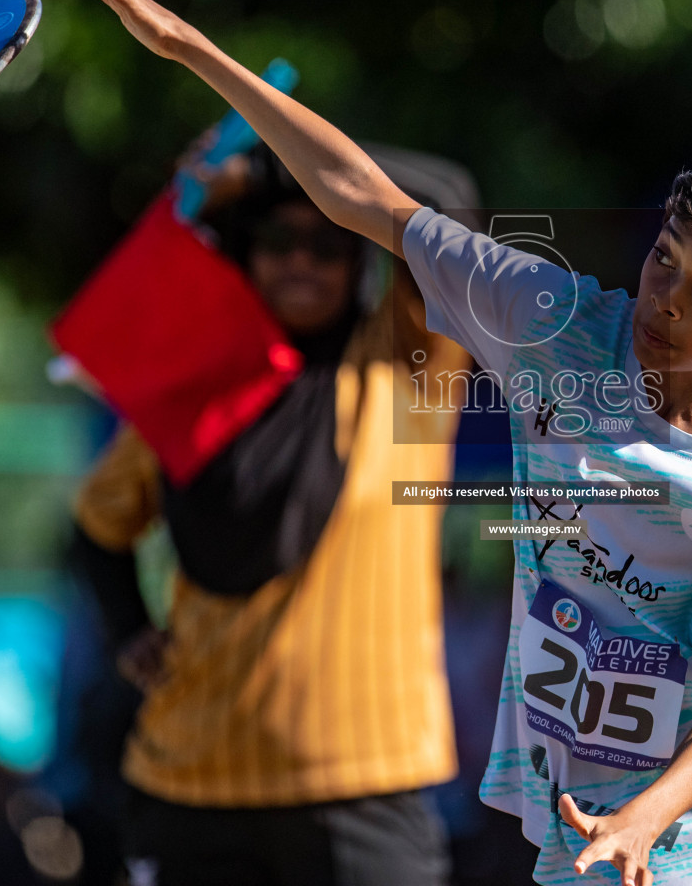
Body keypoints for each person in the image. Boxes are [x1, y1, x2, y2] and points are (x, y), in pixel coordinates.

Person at [47, 0, 692, 886]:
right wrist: (193, 51)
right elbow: (371, 198)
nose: (663, 300)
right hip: (559, 808)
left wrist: (642, 825)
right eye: (662, 259)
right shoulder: (555, 323)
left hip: (680, 833)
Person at [68, 131, 475, 886]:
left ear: (358, 260)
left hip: (363, 788)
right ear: (245, 253)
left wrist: (262, 165)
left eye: (326, 245)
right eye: (278, 239)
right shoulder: (193, 385)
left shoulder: (407, 367)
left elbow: (449, 200)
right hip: (187, 782)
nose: (300, 260)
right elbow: (96, 525)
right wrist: (128, 631)